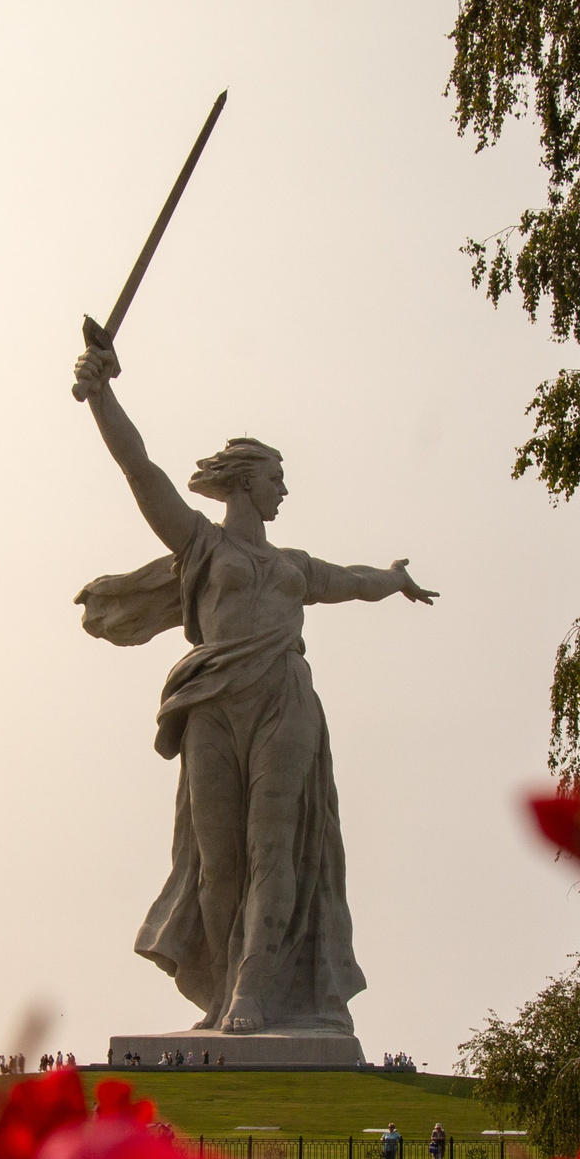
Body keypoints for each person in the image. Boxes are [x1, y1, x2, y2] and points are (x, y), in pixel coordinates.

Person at [73, 339, 437, 1037]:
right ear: (244, 483)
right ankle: (219, 988)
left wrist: (394, 578)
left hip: (283, 700)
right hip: (212, 703)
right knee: (218, 862)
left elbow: (355, 580)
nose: (284, 490)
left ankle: (254, 989)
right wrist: (102, 394)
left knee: (275, 846)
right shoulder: (201, 546)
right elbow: (139, 469)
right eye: (275, 477)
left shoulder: (294, 565)